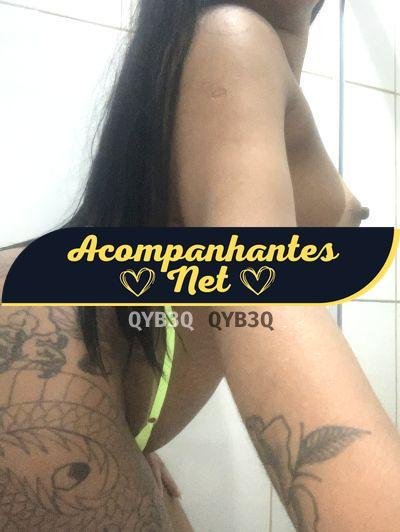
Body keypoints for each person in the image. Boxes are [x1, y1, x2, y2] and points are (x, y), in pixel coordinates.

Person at [1, 1, 399, 530]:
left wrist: (122, 436)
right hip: (46, 363)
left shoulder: (225, 51)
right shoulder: (232, 36)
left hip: (88, 381)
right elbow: (249, 274)